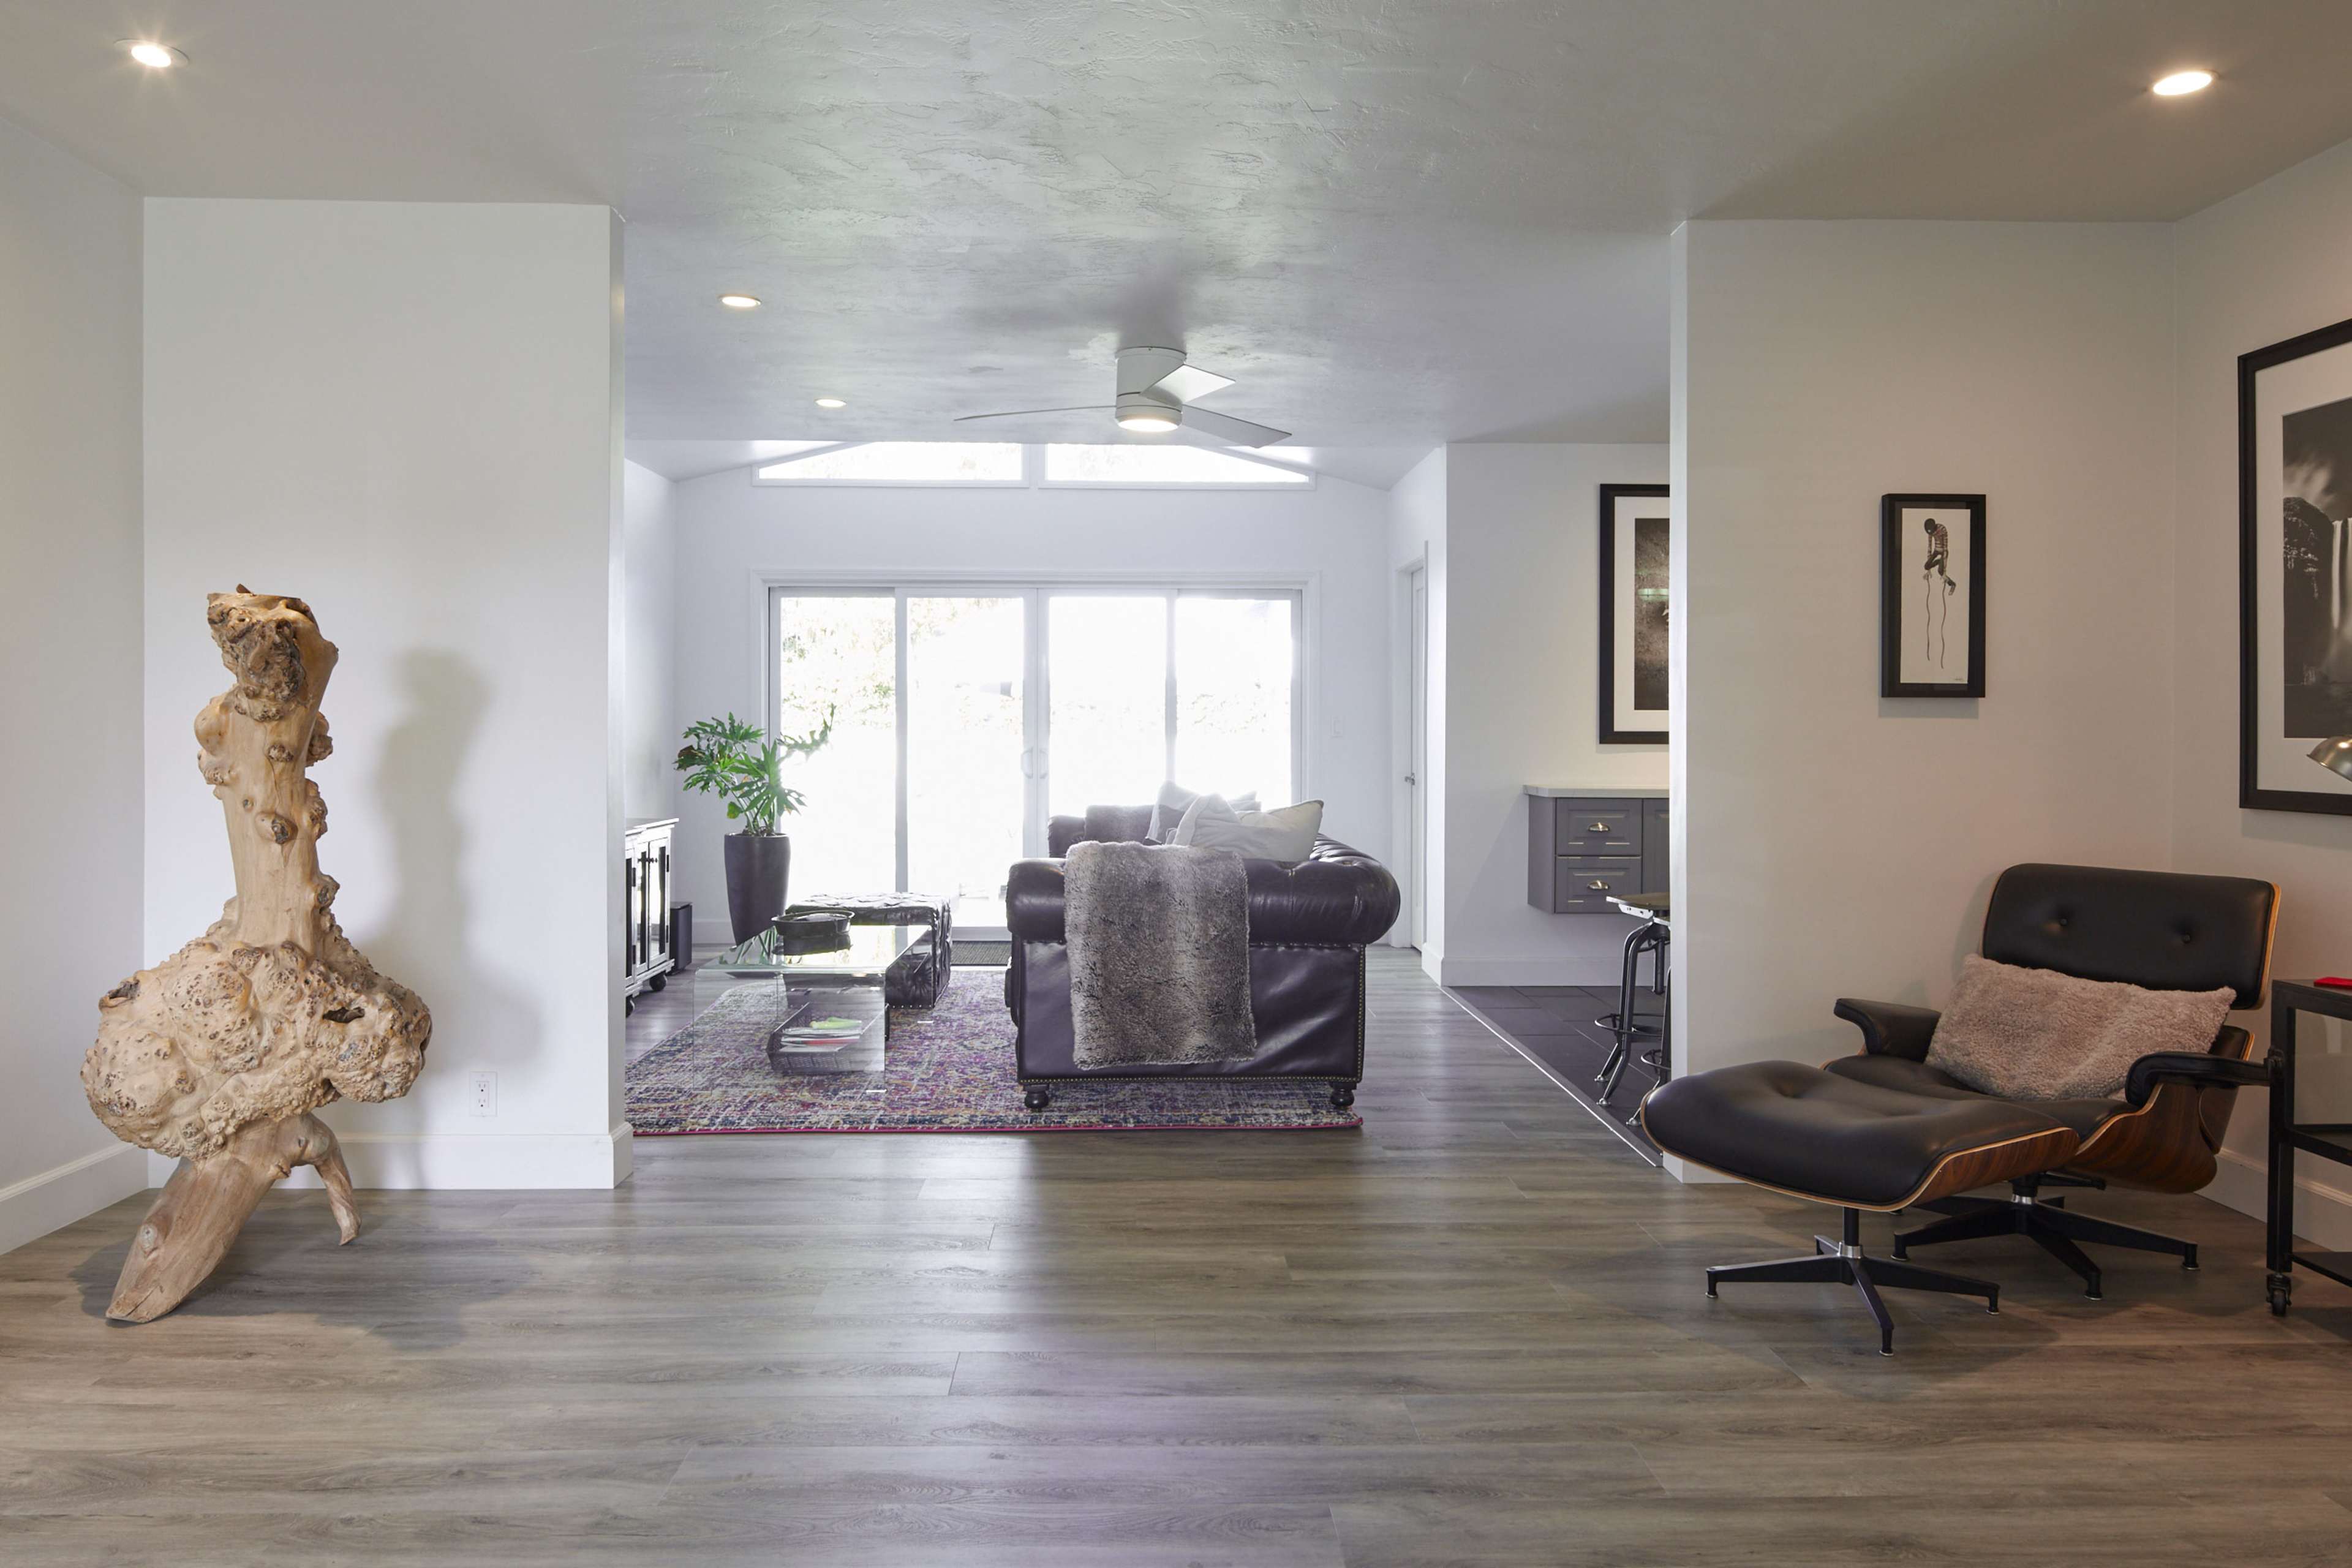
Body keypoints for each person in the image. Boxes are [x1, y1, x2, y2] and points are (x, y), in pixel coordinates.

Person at [1921, 516, 1955, 668]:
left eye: (1933, 532)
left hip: (1944, 552)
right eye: (1931, 533)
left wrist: (1945, 569)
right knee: (1926, 565)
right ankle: (1934, 569)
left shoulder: (1942, 529)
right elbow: (1930, 547)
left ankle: (1952, 583)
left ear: (1935, 528)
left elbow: (1946, 547)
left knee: (1941, 571)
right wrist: (1929, 568)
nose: (1932, 534)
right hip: (1936, 551)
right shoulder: (1930, 532)